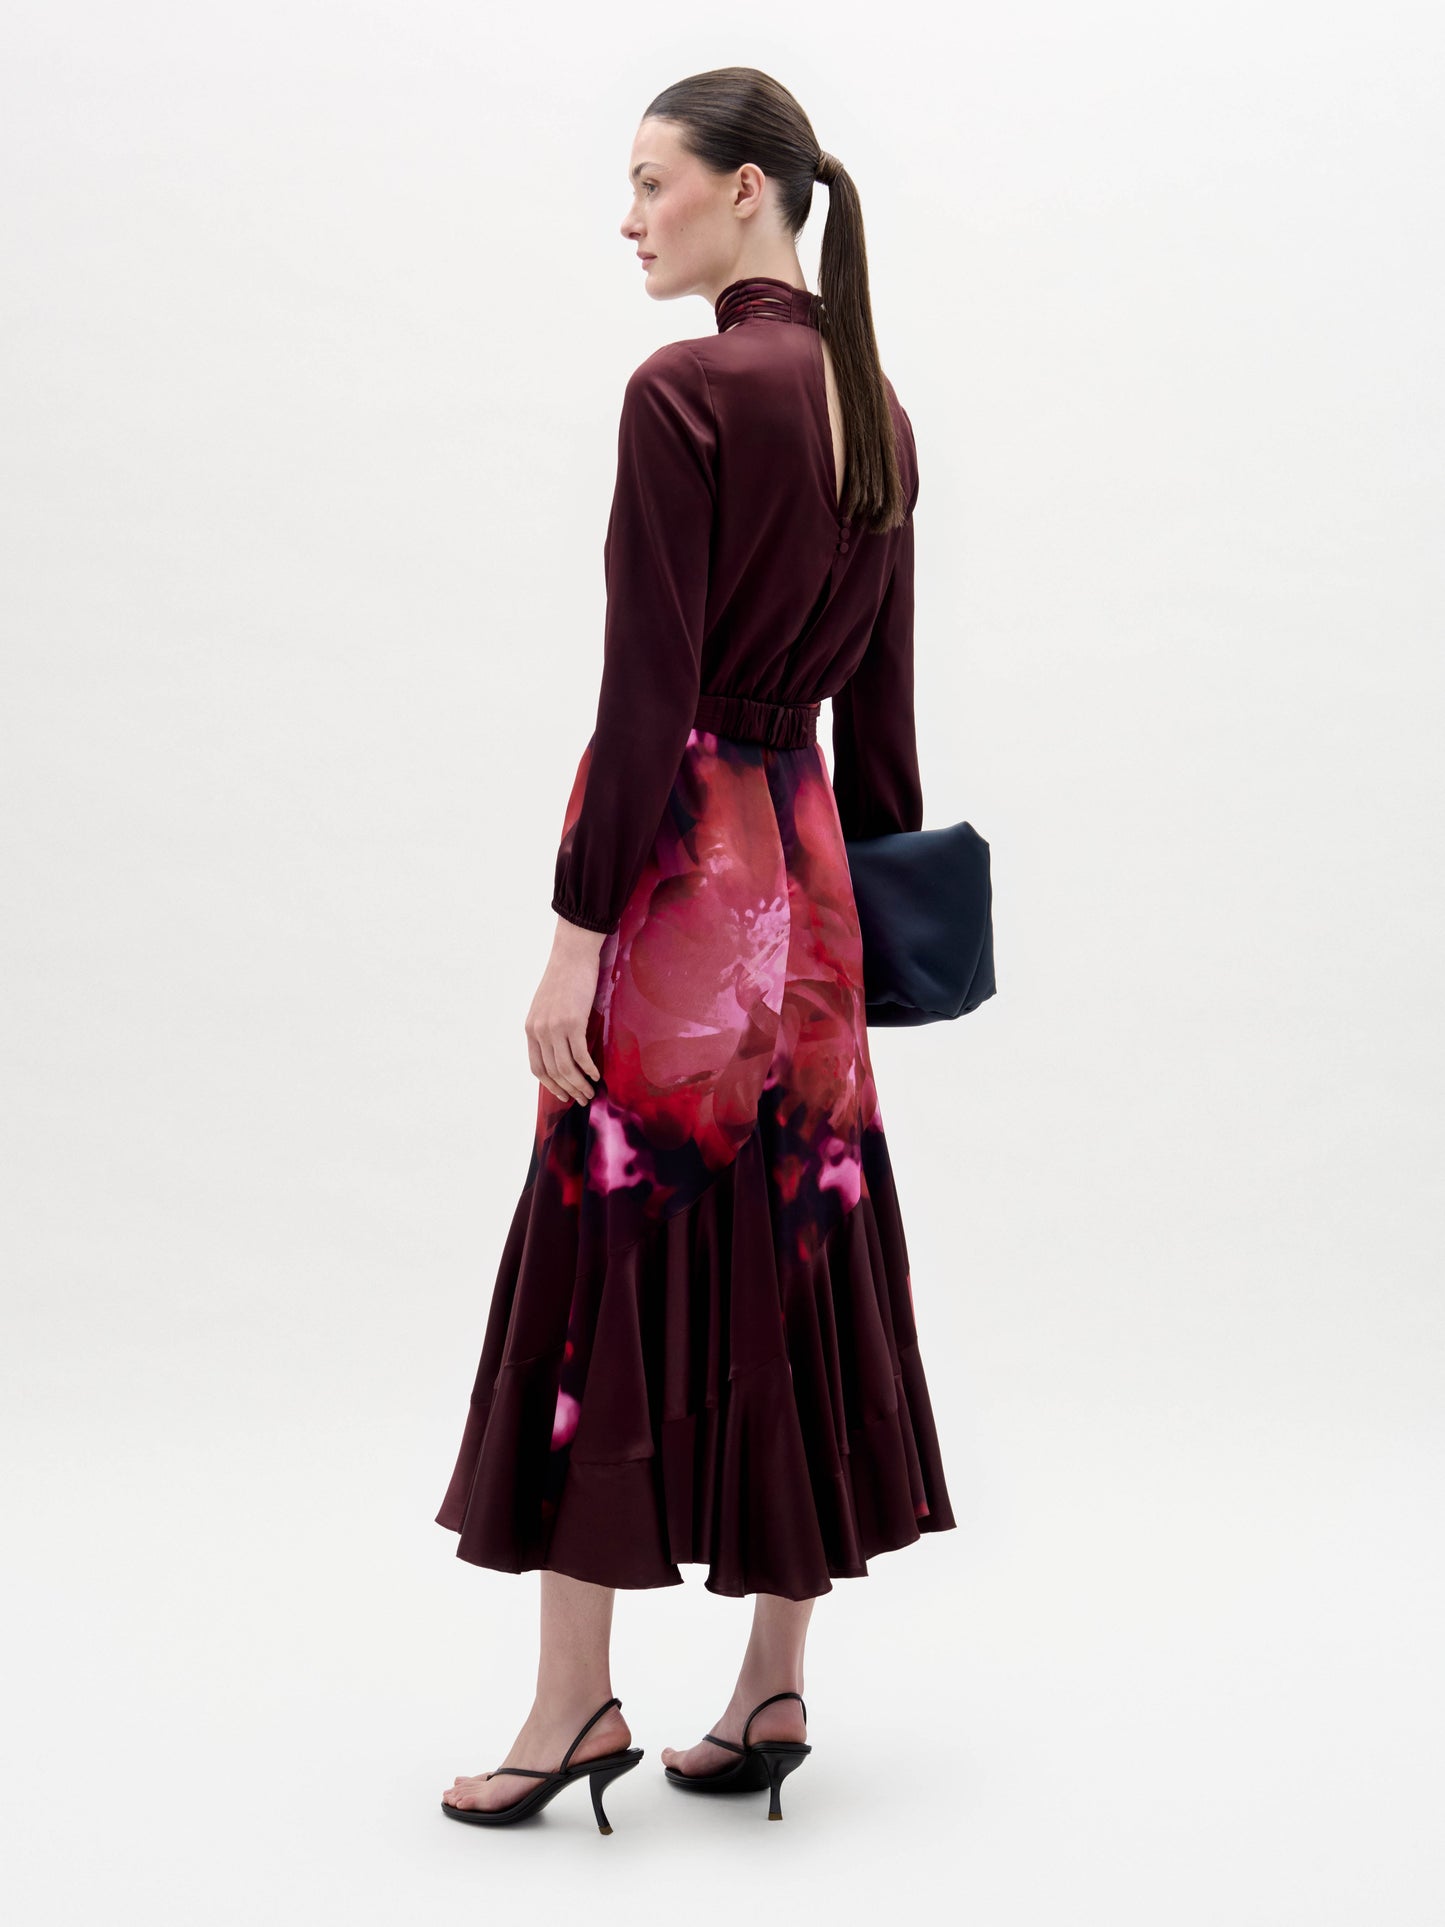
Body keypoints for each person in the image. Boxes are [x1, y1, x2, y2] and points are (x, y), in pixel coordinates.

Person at [438, 66, 957, 1825]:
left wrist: (578, 939)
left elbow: (646, 691)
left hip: (684, 887)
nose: (631, 214)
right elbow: (880, 726)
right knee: (794, 1250)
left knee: (607, 1253)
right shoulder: (874, 401)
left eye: (654, 181)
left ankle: (572, 1704)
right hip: (801, 891)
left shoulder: (683, 392)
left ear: (750, 191)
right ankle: (772, 1684)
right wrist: (872, 939)